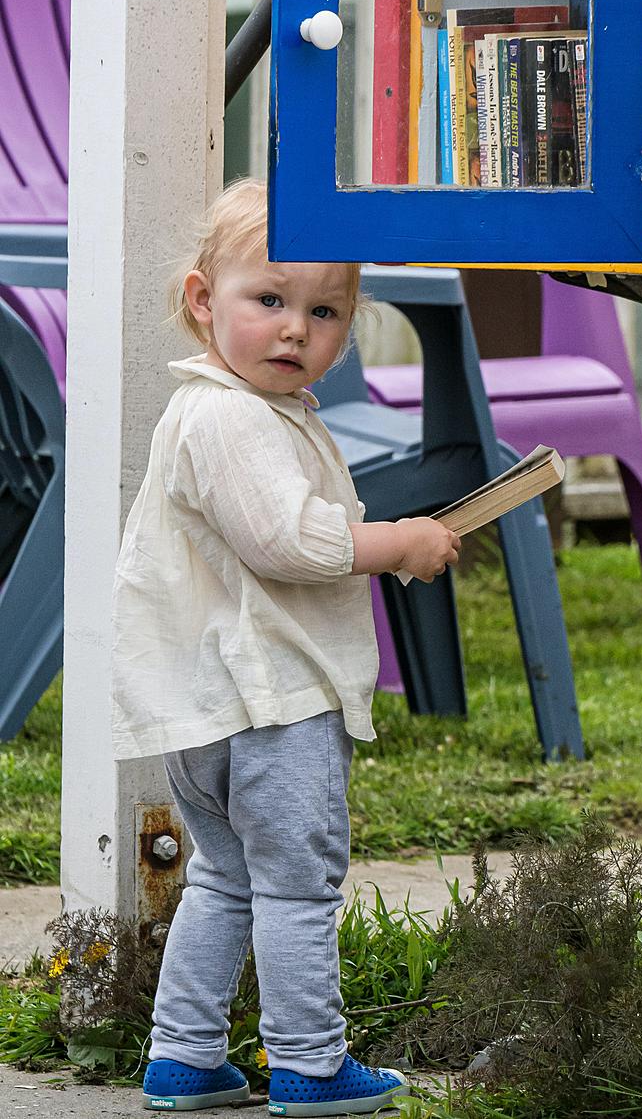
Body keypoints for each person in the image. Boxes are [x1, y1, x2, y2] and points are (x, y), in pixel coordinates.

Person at [111, 178, 460, 1114]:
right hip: (273, 707)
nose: (296, 329)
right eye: (268, 300)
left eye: (325, 310)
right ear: (202, 300)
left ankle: (183, 1054)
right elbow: (292, 542)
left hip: (219, 705)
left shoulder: (241, 411)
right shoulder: (226, 415)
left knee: (224, 876)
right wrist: (400, 544)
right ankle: (309, 1061)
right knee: (299, 887)